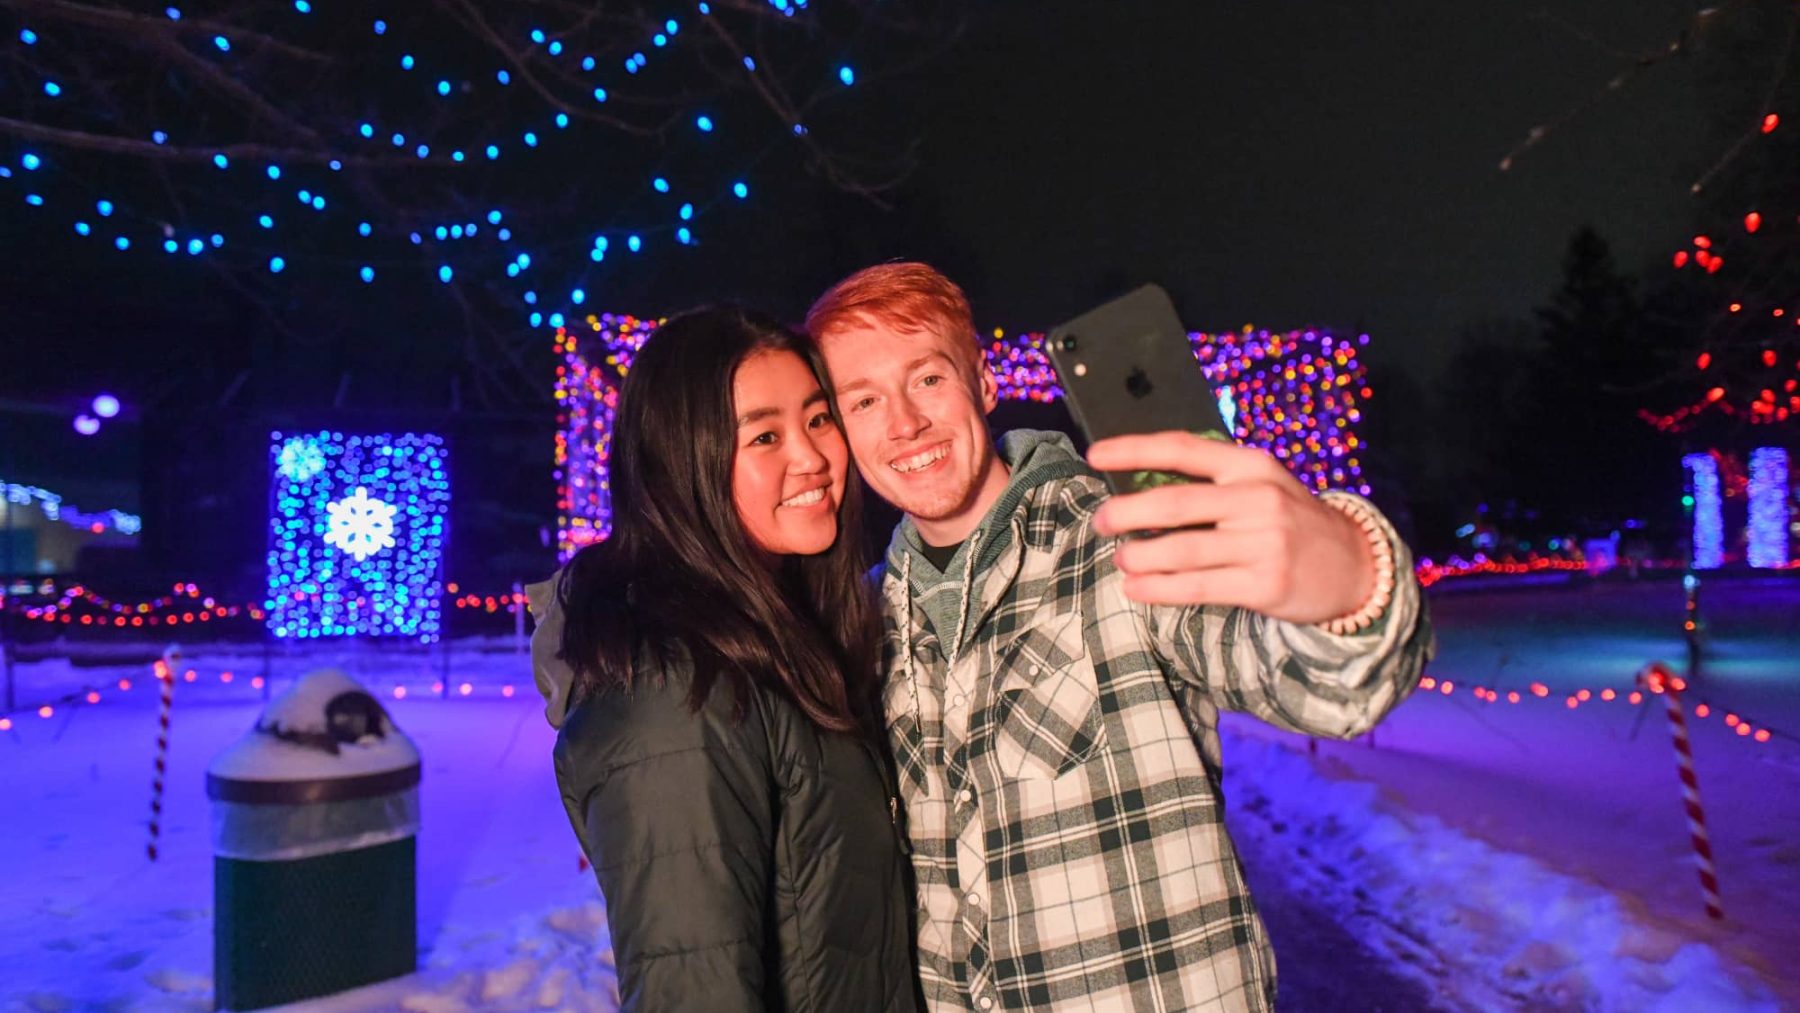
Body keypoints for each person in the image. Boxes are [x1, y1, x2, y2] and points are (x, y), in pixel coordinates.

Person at [803, 263, 1435, 1012]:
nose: (903, 423)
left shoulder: (1122, 540)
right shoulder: (867, 617)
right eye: (865, 400)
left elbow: (1317, 684)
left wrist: (1349, 578)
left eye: (928, 379)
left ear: (981, 380)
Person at [526, 307, 920, 1012]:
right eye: (765, 435)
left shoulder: (780, 639)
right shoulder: (676, 691)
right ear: (683, 463)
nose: (813, 457)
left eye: (819, 418)